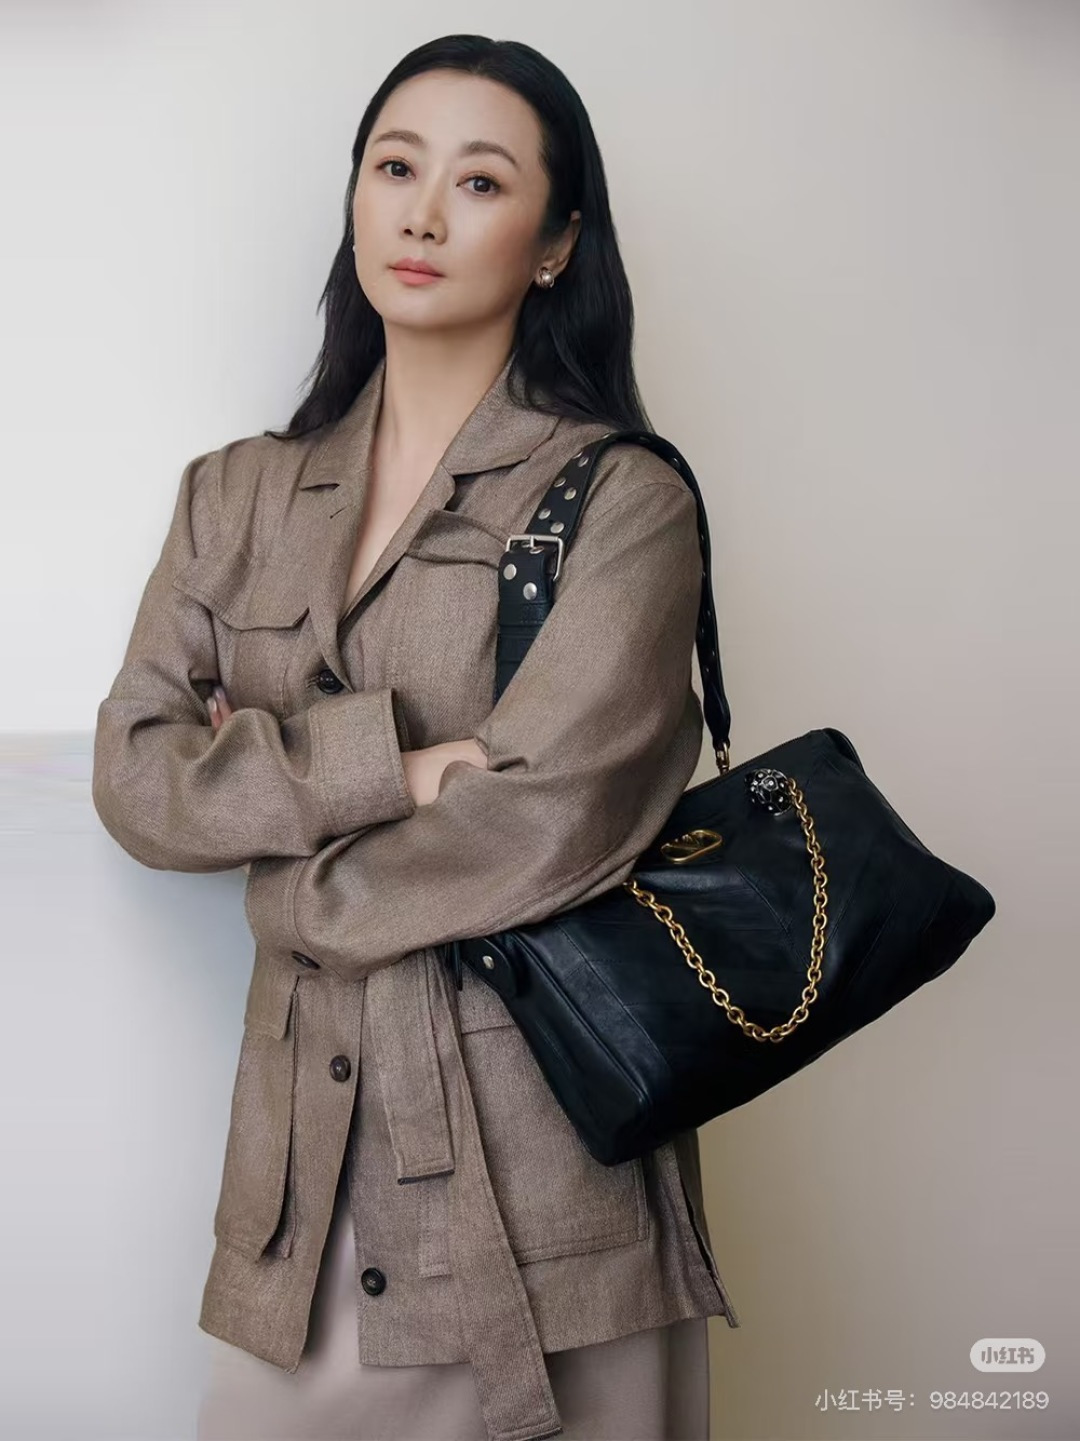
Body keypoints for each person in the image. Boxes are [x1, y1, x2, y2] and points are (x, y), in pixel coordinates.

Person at [92, 32, 740, 1441]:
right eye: (396, 167)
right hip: (295, 1200)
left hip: (546, 1208)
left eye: (481, 181)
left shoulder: (624, 503)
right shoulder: (233, 498)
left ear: (558, 244)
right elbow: (137, 779)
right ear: (355, 197)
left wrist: (275, 863)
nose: (425, 214)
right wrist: (391, 769)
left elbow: (545, 821)